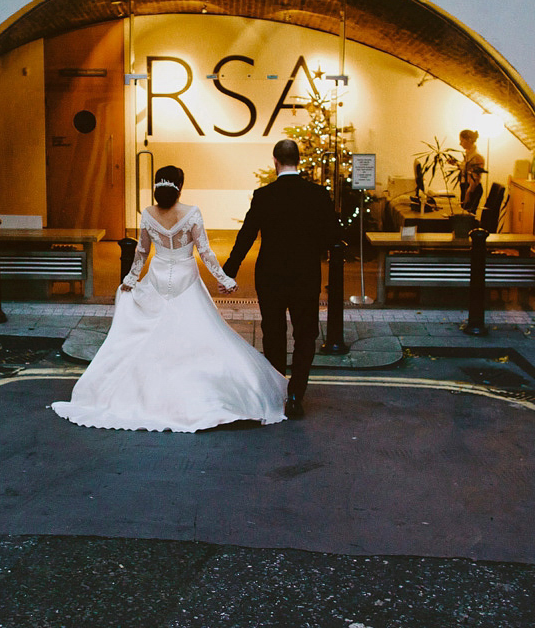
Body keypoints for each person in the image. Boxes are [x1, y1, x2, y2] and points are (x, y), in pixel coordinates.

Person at [51, 165, 287, 432]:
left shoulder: (148, 214)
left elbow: (141, 252)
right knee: (200, 337)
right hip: (186, 277)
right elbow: (205, 252)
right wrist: (225, 279)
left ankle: (143, 396)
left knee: (148, 336)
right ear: (180, 186)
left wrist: (130, 279)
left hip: (158, 276)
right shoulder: (191, 213)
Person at [222, 139, 339, 419]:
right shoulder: (318, 194)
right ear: (298, 160)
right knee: (305, 334)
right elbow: (334, 236)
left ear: (275, 161)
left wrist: (229, 270)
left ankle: (276, 392)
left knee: (273, 333)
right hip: (305, 275)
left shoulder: (264, 195)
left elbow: (247, 235)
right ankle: (296, 394)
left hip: (271, 276)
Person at [455, 129, 486, 215]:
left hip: (472, 189)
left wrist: (468, 193)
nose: (460, 144)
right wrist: (455, 163)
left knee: (467, 216)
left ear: (469, 140)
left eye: (462, 141)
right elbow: (466, 168)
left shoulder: (476, 156)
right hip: (466, 186)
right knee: (464, 213)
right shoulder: (469, 154)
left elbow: (476, 177)